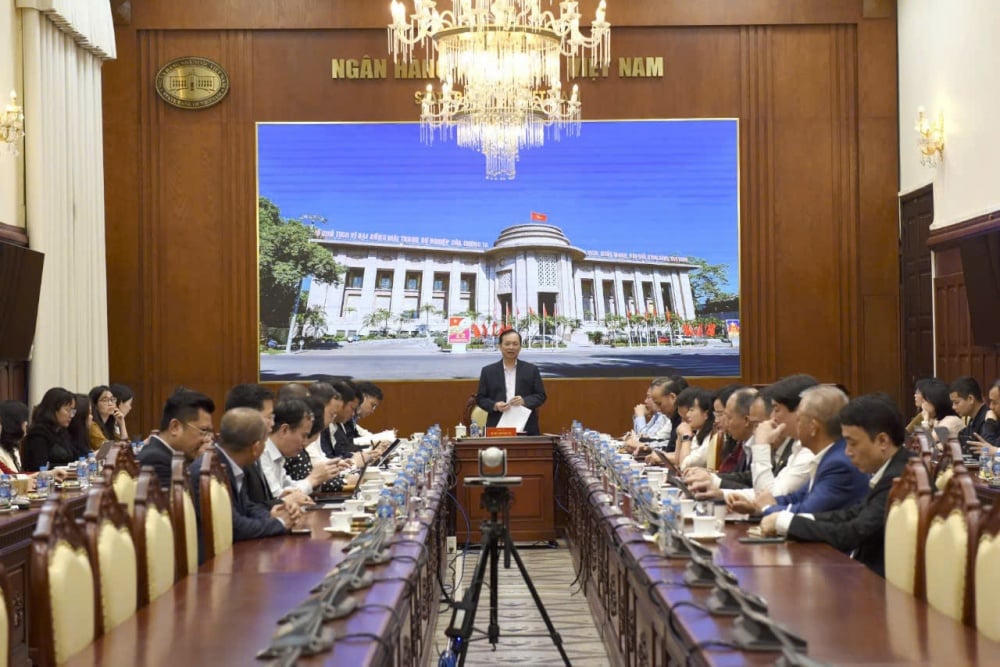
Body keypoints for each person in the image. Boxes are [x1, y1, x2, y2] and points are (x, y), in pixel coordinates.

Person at [764, 394, 911, 577]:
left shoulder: (899, 479)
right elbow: (850, 514)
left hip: (877, 585)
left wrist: (786, 522)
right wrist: (787, 520)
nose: (847, 452)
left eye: (852, 443)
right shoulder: (895, 469)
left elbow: (852, 533)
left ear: (882, 441)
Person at [189, 408, 292, 563]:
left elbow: (247, 506)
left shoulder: (229, 462)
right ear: (256, 448)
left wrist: (270, 516)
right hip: (211, 565)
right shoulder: (209, 471)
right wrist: (280, 523)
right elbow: (234, 527)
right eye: (265, 442)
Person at [757, 385, 870, 523]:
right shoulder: (829, 456)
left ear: (813, 427)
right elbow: (797, 497)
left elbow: (807, 513)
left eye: (799, 419)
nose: (796, 424)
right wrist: (759, 505)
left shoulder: (838, 464)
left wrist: (766, 508)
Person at [258, 398, 341, 502]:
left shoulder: (278, 455)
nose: (305, 443)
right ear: (284, 430)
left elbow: (289, 488)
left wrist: (319, 478)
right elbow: (277, 499)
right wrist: (313, 479)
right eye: (304, 436)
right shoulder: (262, 453)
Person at [137, 389, 216, 487]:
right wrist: (201, 463)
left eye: (209, 432)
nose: (207, 439)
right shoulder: (154, 460)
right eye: (203, 430)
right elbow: (184, 496)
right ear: (175, 427)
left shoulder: (170, 456)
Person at [475, 329, 547, 436]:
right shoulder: (488, 371)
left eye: (515, 344)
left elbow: (541, 395)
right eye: (507, 344)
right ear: (500, 346)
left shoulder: (531, 370)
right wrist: (495, 405)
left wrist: (524, 401)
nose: (511, 347)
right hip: (497, 426)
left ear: (520, 347)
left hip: (526, 426)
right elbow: (480, 398)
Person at [224, 383, 277, 506]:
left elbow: (254, 506)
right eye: (269, 417)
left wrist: (282, 503)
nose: (273, 423)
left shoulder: (253, 449)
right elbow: (242, 511)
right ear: (248, 417)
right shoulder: (232, 458)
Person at [22, 387, 78, 471]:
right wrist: (67, 467)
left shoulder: (62, 431)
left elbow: (73, 458)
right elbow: (40, 466)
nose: (71, 415)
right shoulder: (38, 433)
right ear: (53, 409)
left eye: (72, 411)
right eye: (67, 410)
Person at [950, 376, 997, 452]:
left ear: (970, 399)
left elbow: (986, 450)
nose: (953, 407)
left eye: (956, 402)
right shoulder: (973, 419)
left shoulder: (988, 418)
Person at [917, 378, 963, 444]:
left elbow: (926, 445)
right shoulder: (938, 420)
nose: (923, 405)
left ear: (935, 401)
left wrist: (925, 421)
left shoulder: (951, 421)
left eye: (924, 401)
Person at [88, 385, 128, 449]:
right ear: (95, 405)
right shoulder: (92, 425)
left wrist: (122, 424)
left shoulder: (109, 426)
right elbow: (106, 449)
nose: (110, 403)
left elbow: (126, 446)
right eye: (105, 400)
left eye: (112, 399)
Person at [0, 400, 29, 473]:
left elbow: (19, 475)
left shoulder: (13, 448)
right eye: (24, 421)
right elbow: (11, 476)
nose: (26, 423)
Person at [66, 394, 95, 459]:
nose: (92, 417)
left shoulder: (83, 435)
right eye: (90, 413)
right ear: (81, 415)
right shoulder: (69, 439)